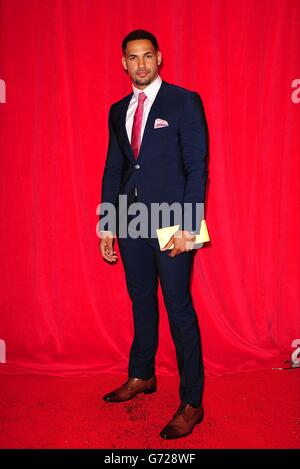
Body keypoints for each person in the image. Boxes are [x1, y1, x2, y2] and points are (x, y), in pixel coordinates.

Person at [98, 29, 208, 439]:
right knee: (141, 300)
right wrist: (107, 221)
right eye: (133, 57)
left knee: (179, 309)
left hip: (172, 221)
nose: (141, 64)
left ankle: (192, 402)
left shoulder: (184, 101)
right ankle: (142, 375)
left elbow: (197, 167)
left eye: (147, 56)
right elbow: (114, 168)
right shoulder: (116, 110)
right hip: (129, 221)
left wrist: (189, 226)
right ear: (123, 63)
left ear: (159, 58)